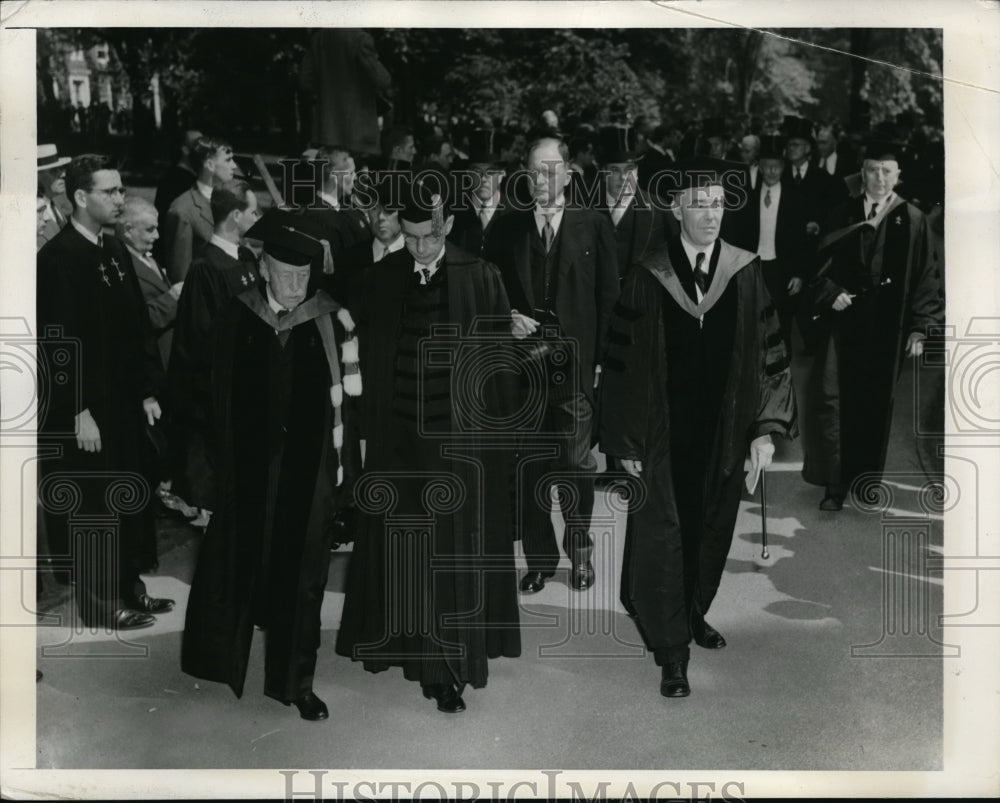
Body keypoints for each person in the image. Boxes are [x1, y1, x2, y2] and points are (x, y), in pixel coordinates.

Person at [598, 157, 797, 698]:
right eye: (700, 205)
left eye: (718, 204)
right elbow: (620, 365)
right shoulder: (649, 275)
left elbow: (768, 354)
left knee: (711, 529)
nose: (711, 215)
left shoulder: (745, 269)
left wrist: (764, 429)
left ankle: (693, 612)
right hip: (663, 434)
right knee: (664, 536)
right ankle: (672, 651)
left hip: (725, 430)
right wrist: (623, 441)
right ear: (677, 208)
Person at [335, 177, 521, 714]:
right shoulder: (380, 279)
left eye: (429, 237)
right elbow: (361, 360)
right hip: (398, 446)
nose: (418, 247)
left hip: (460, 448)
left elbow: (499, 375)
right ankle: (415, 650)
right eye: (410, 237)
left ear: (449, 227)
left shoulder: (480, 277)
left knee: (453, 553)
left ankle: (446, 669)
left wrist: (498, 449)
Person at [181, 210, 361, 721]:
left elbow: (349, 408)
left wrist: (346, 485)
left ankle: (295, 683)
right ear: (263, 269)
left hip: (311, 475)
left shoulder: (330, 319)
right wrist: (206, 476)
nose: (296, 284)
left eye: (304, 276)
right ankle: (226, 662)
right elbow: (207, 400)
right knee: (240, 566)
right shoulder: (237, 316)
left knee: (303, 578)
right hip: (247, 472)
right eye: (286, 274)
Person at [36, 154, 172, 630]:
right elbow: (56, 344)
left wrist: (148, 390)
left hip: (123, 405)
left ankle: (129, 589)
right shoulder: (57, 259)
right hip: (87, 412)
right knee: (94, 504)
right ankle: (98, 604)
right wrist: (77, 411)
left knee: (129, 497)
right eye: (109, 191)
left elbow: (138, 327)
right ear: (79, 196)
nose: (119, 199)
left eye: (119, 191)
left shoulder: (114, 252)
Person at [484, 136, 620, 594]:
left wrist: (600, 364)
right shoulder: (505, 228)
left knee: (577, 465)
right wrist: (505, 317)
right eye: (533, 171)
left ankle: (580, 553)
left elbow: (608, 300)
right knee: (531, 466)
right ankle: (540, 559)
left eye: (550, 169)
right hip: (521, 368)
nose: (542, 180)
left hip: (574, 366)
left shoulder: (594, 225)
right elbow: (485, 290)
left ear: (567, 173)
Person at [801, 139, 944, 511]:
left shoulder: (912, 219)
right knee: (835, 399)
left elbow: (928, 277)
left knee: (875, 406)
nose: (879, 177)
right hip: (842, 327)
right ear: (861, 173)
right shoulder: (842, 212)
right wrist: (830, 291)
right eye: (871, 170)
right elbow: (817, 264)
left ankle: (865, 482)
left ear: (898, 176)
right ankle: (834, 486)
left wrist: (919, 327)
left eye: (886, 171)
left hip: (888, 328)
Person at [168, 180, 261, 524]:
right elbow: (201, 340)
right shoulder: (205, 268)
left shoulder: (247, 257)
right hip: (225, 398)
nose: (258, 216)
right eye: (253, 210)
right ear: (236, 216)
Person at [737, 134, 813, 346]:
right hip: (754, 267)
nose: (771, 171)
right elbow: (741, 237)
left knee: (780, 323)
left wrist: (799, 274)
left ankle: (781, 372)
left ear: (783, 168)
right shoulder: (749, 200)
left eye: (776, 167)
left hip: (781, 269)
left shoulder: (795, 200)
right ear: (759, 168)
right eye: (767, 166)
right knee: (752, 321)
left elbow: (801, 242)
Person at [598, 125, 677, 281]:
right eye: (614, 170)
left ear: (637, 171)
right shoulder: (584, 208)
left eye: (629, 169)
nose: (623, 177)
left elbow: (675, 259)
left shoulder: (659, 207)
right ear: (603, 172)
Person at [298, 28, 391, 158]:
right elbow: (383, 80)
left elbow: (305, 80)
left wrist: (325, 93)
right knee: (354, 173)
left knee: (328, 173)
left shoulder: (318, 38)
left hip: (326, 129)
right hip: (358, 130)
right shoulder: (361, 38)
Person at [116, 196, 183, 370]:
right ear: (128, 230)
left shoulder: (147, 257)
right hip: (149, 365)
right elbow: (132, 321)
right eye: (150, 230)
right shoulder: (119, 267)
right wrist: (172, 298)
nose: (157, 236)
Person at [161, 136, 237, 282]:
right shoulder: (182, 210)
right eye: (228, 160)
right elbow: (180, 278)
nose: (234, 166)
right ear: (209, 165)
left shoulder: (233, 200)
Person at [782, 117, 848, 239]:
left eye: (795, 144)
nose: (791, 148)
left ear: (807, 148)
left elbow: (832, 210)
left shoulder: (822, 177)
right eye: (789, 145)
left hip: (812, 244)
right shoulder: (781, 175)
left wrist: (818, 225)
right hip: (784, 242)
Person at [448, 129, 508, 257]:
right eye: (477, 171)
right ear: (469, 174)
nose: (483, 178)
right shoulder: (452, 211)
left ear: (502, 174)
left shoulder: (515, 214)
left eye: (491, 171)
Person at [153, 129, 203, 223]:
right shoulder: (178, 182)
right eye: (199, 146)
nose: (206, 152)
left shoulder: (173, 177)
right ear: (185, 150)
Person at [36, 144, 73, 250]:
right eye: (54, 170)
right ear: (36, 176)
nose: (63, 174)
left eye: (61, 168)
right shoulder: (33, 214)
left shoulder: (54, 204)